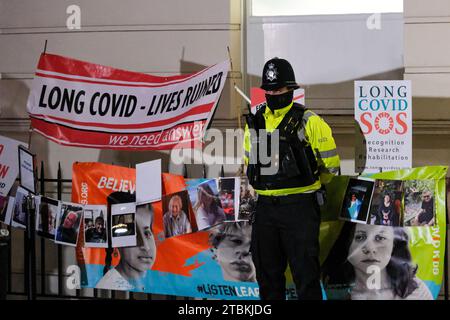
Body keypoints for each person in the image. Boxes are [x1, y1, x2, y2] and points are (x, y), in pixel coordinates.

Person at [243, 57, 340, 300]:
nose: (274, 93)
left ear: (291, 90)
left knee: (306, 277)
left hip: (300, 208)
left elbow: (332, 167)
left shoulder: (311, 122)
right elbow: (249, 164)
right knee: (267, 279)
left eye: (279, 89)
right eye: (270, 89)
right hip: (265, 209)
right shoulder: (255, 123)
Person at [322, 223, 433, 300]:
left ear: (394, 244)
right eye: (360, 237)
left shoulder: (414, 289)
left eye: (380, 238)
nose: (370, 248)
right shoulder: (332, 287)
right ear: (347, 243)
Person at [96, 202, 156, 291]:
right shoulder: (109, 287)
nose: (145, 246)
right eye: (133, 234)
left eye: (147, 233)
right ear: (117, 242)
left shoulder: (155, 282)